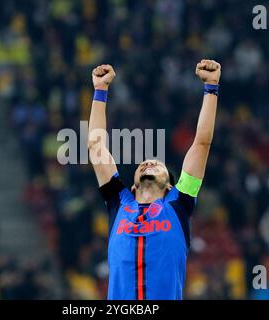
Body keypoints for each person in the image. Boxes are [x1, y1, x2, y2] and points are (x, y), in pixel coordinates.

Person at [88, 60, 221, 300]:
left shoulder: (179, 203)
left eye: (157, 165)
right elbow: (96, 147)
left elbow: (202, 143)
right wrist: (100, 90)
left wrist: (211, 87)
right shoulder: (119, 203)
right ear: (132, 185)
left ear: (170, 185)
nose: (149, 163)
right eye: (143, 165)